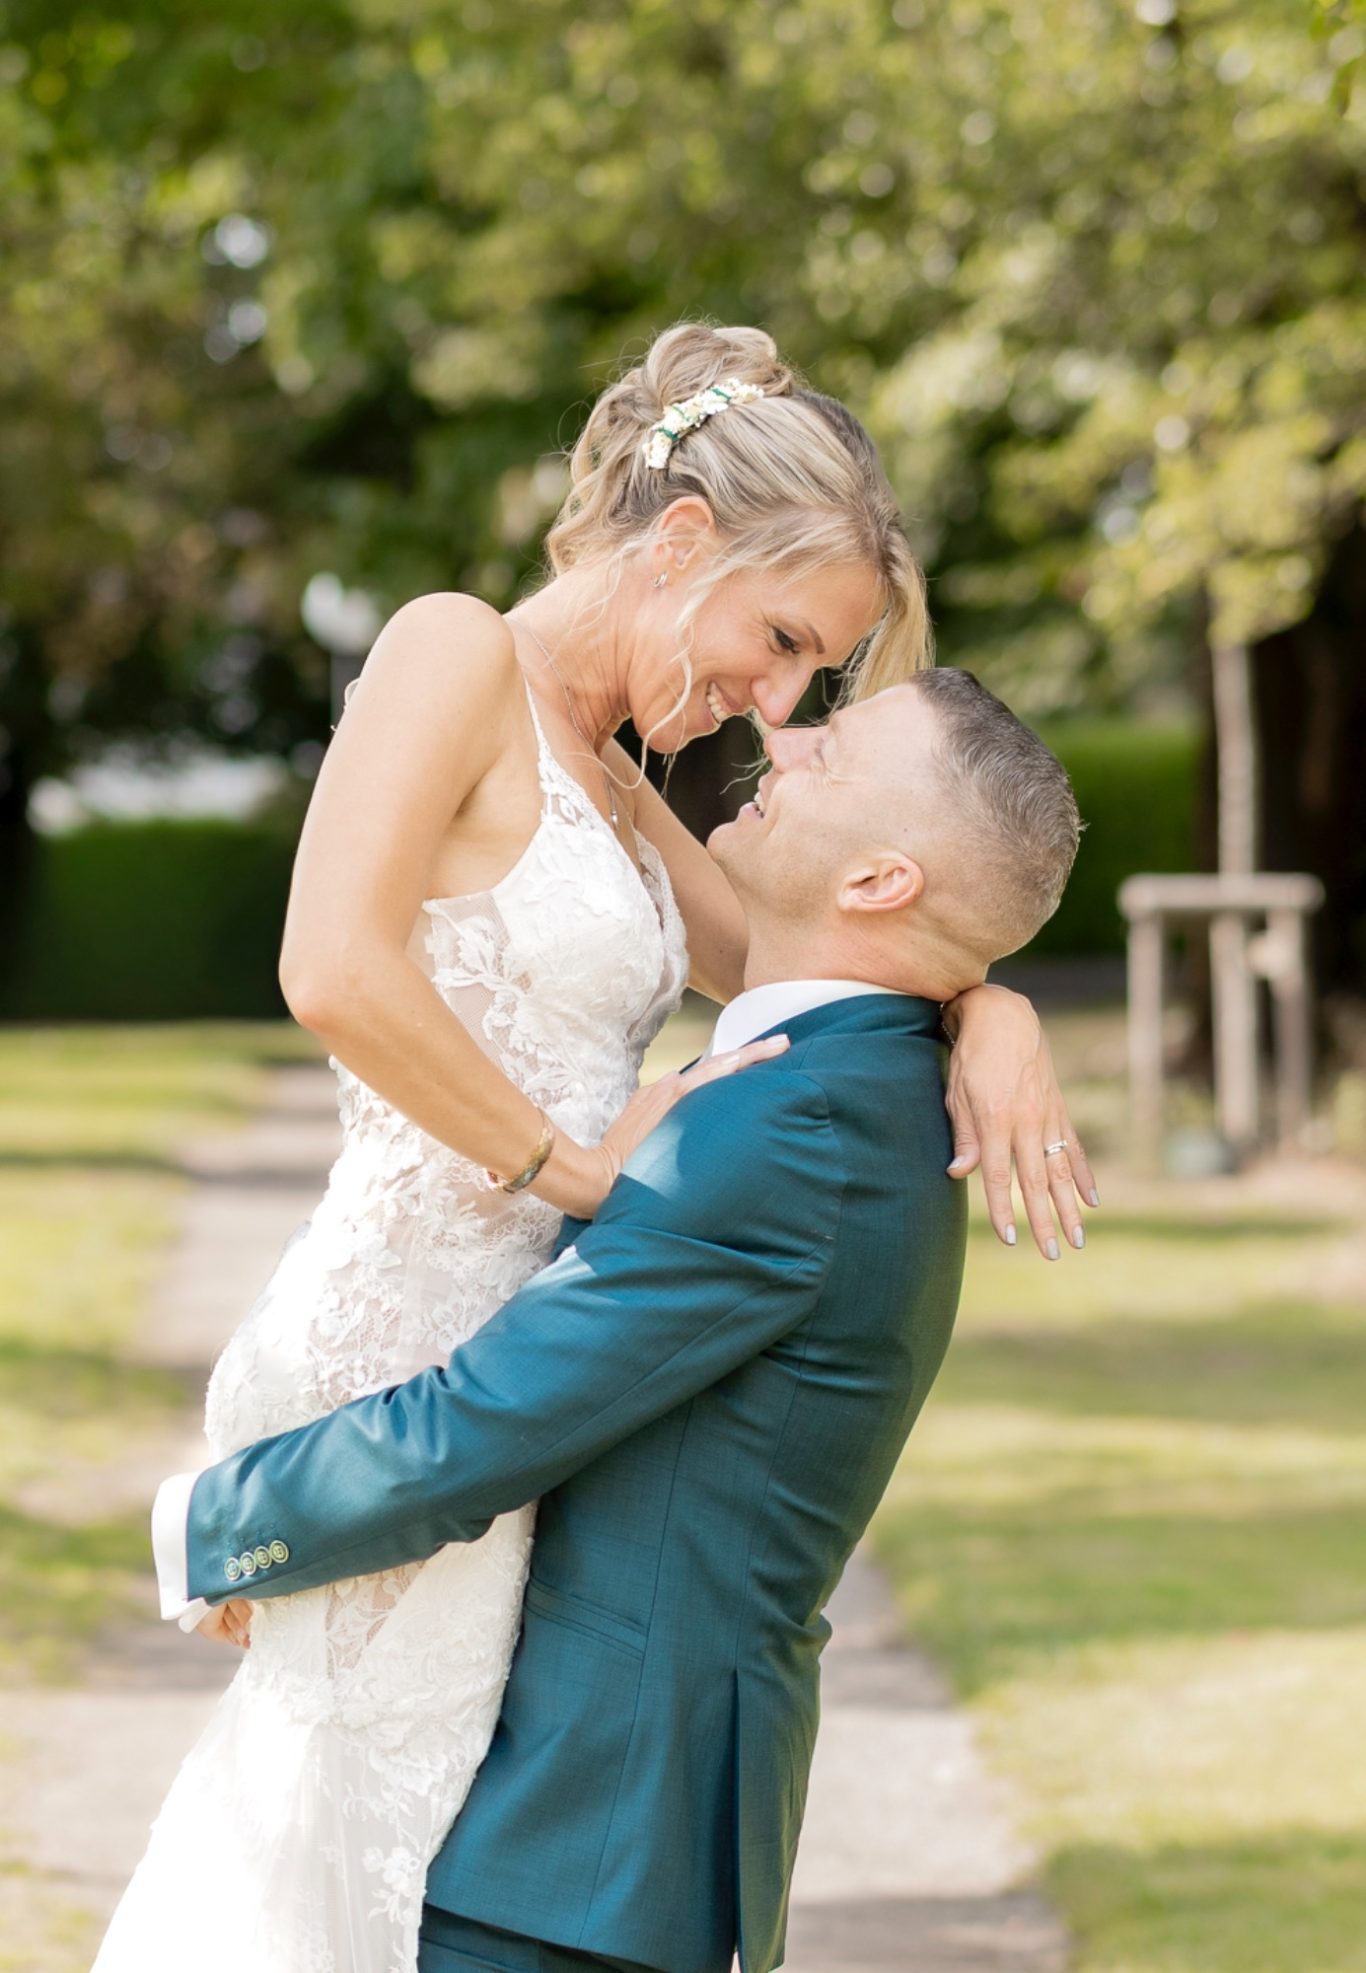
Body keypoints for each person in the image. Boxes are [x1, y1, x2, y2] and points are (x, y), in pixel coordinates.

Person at [92, 320, 1092, 1973]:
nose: (777, 705)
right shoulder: (450, 651)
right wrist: (576, 1174)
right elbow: (330, 966)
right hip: (407, 1344)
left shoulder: (621, 788)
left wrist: (993, 1009)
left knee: (403, 1856)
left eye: (816, 677)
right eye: (783, 641)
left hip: (520, 1373)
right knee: (333, 1841)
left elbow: (841, 950)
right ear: (683, 538)